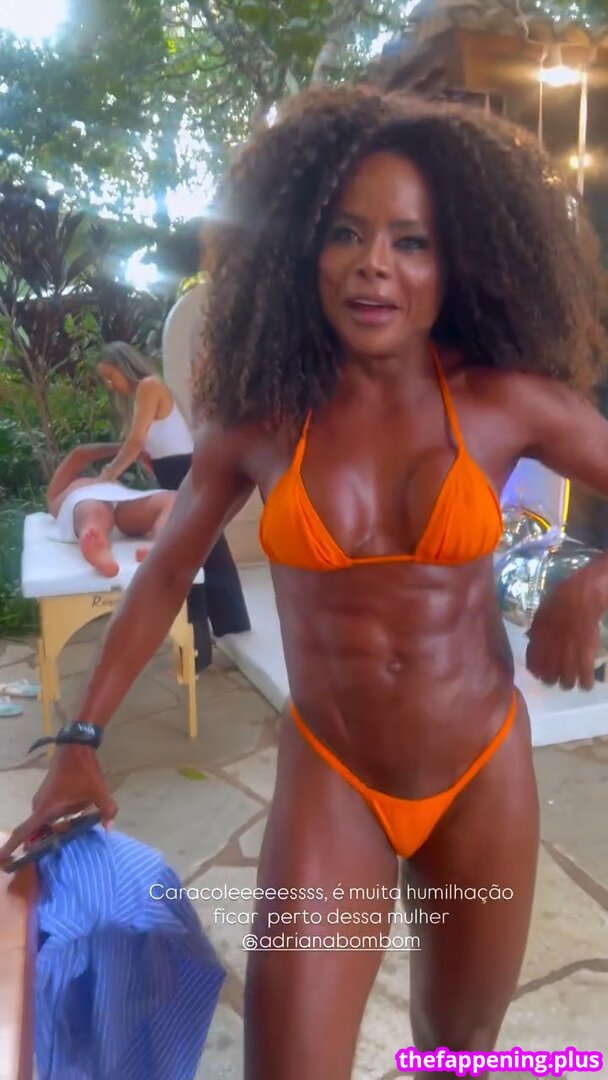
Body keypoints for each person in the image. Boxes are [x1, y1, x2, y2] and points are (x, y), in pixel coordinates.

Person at [2, 86, 607, 1078]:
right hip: (336, 775)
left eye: (411, 241)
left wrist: (589, 586)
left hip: (480, 773)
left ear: (454, 262)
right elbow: (165, 571)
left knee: (458, 1056)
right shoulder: (262, 420)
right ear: (301, 253)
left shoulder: (505, 402)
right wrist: (81, 737)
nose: (375, 263)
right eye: (346, 233)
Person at [95, 340, 250, 667]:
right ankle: (221, 630)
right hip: (174, 472)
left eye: (111, 376)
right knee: (202, 549)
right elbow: (147, 448)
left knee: (202, 550)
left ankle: (220, 634)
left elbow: (135, 443)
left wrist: (107, 475)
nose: (109, 385)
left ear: (124, 367)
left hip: (184, 471)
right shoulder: (142, 394)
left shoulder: (149, 386)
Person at [47, 443, 178, 576]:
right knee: (93, 510)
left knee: (171, 499)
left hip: (121, 499)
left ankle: (162, 547)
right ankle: (99, 548)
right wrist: (127, 446)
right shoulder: (57, 494)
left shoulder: (105, 482)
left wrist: (133, 449)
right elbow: (79, 454)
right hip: (86, 498)